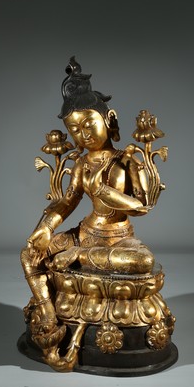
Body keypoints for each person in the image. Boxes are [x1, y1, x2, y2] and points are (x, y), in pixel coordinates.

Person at [20, 57, 155, 342]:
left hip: (118, 239)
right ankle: (47, 311)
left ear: (109, 119)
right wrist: (45, 228)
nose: (84, 135)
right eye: (75, 130)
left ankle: (79, 258)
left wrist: (103, 191)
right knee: (30, 254)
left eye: (88, 124)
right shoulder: (82, 164)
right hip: (85, 234)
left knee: (143, 262)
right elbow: (68, 201)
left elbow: (141, 206)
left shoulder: (126, 160)